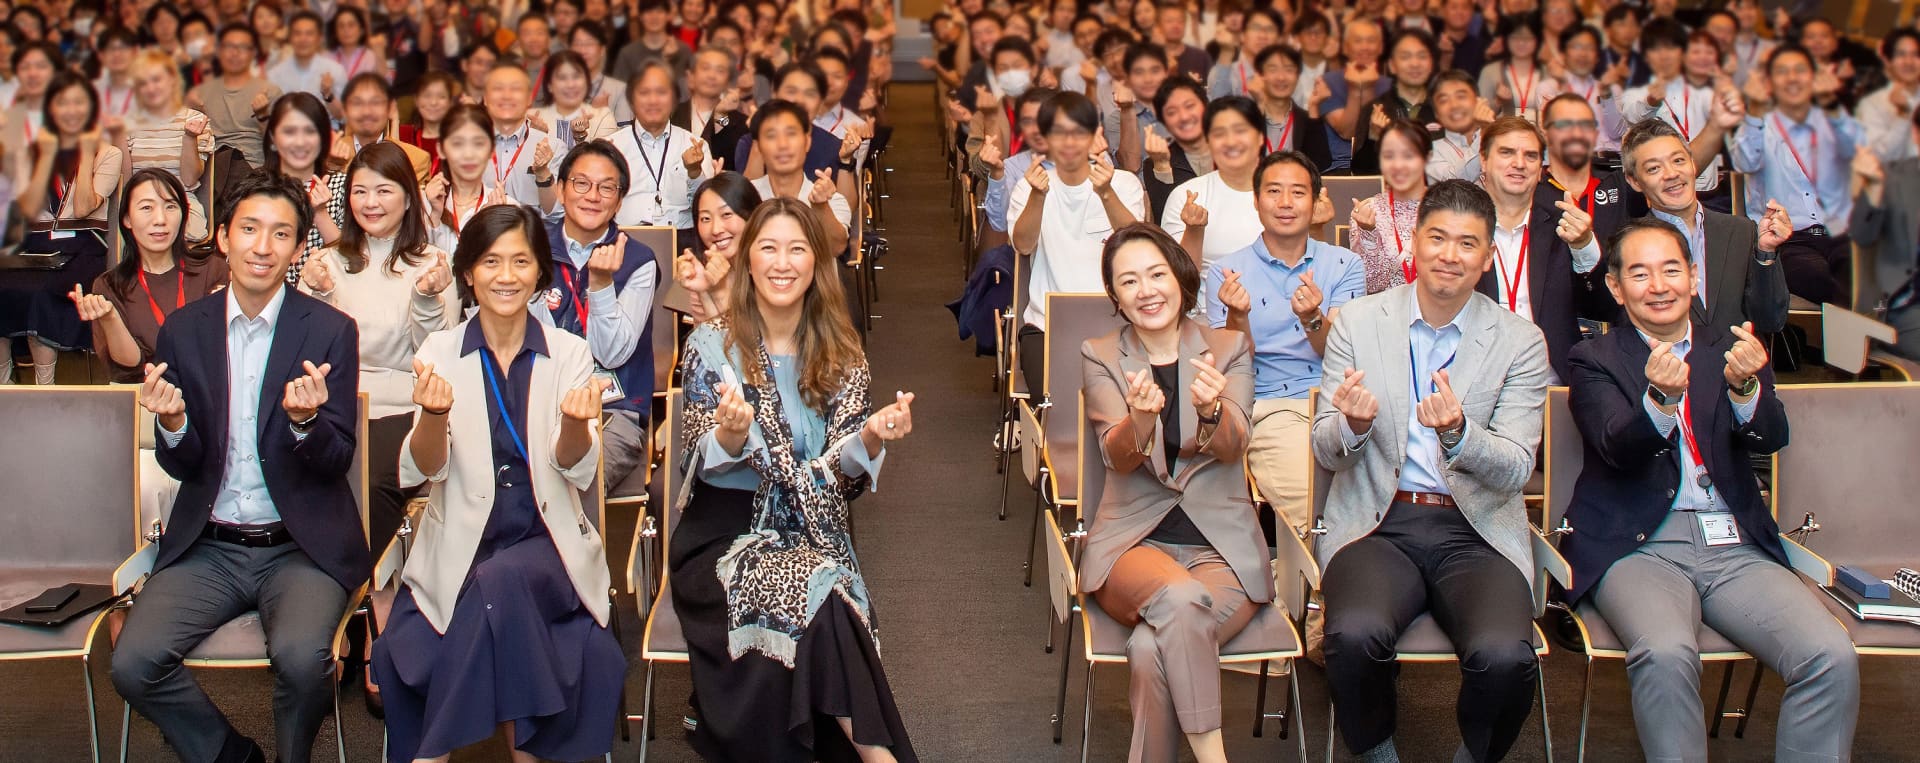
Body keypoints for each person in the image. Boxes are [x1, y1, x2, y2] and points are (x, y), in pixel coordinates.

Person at [1561, 217, 1860, 763]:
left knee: (1829, 654)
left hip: (1734, 546)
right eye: (1640, 273)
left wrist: (1747, 386)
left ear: (1694, 277)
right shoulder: (1595, 360)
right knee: (1666, 652)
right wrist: (1658, 401)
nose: (1659, 285)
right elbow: (1615, 447)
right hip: (1639, 545)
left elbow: (1771, 437)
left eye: (1671, 269)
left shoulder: (1734, 348)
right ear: (1615, 287)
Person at [110, 171, 365, 763]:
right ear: (223, 237)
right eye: (248, 229)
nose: (262, 246)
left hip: (299, 545)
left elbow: (337, 459)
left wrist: (306, 424)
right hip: (211, 543)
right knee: (133, 662)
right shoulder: (184, 330)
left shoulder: (330, 331)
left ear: (300, 248)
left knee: (305, 662)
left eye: (281, 234)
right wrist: (171, 424)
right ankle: (231, 756)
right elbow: (185, 463)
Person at [370, 202, 624, 763]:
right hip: (459, 548)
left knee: (501, 579)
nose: (506, 276)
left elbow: (575, 468)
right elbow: (424, 470)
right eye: (490, 262)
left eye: (520, 262)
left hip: (547, 546)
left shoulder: (569, 354)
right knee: (494, 586)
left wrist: (580, 426)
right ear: (468, 272)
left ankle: (429, 755)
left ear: (540, 273)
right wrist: (433, 416)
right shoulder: (439, 352)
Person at [1310, 178, 1549, 763]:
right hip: (1378, 523)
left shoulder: (1520, 340)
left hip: (1477, 530)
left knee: (1507, 657)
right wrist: (1355, 427)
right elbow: (1323, 445)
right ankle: (1377, 752)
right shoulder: (1358, 323)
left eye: (1467, 243)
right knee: (1352, 635)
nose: (1450, 254)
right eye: (1437, 238)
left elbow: (1518, 467)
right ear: (1413, 243)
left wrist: (1459, 436)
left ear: (1488, 256)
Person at [672, 197, 918, 762]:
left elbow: (843, 479)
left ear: (816, 263)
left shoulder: (842, 353)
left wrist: (873, 437)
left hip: (812, 531)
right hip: (725, 537)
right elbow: (696, 462)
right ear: (747, 261)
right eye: (768, 248)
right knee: (823, 588)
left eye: (797, 249)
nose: (782, 263)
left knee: (820, 587)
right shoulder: (713, 344)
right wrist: (730, 436)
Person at [1078, 223, 1269, 763]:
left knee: (1150, 645)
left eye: (1157, 274)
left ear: (1181, 279)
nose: (1147, 290)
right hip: (1132, 549)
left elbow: (1235, 445)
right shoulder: (1101, 354)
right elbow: (1115, 456)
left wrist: (1211, 411)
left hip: (1221, 551)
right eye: (1130, 280)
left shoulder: (1228, 347)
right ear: (1115, 295)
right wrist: (1140, 417)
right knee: (1180, 599)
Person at [297, 141, 454, 555]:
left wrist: (424, 299)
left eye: (383, 190)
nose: (370, 202)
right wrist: (322, 296)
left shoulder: (433, 263)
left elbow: (437, 356)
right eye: (360, 191)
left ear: (408, 197)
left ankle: (365, 589)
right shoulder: (325, 262)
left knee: (368, 482)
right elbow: (306, 354)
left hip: (403, 405)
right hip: (334, 405)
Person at [1204, 149, 1365, 536]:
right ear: (1256, 202)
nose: (1286, 203)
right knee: (1316, 513)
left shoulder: (1344, 265)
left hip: (1338, 401)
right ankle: (1322, 585)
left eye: (1298, 192)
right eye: (1274, 191)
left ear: (1316, 201)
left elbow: (1338, 353)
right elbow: (1232, 367)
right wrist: (1237, 315)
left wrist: (1312, 318)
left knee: (1377, 498)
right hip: (1271, 405)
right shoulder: (1224, 272)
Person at [540, 139, 660, 492]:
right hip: (540, 400)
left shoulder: (639, 260)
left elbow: (611, 354)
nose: (593, 196)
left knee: (571, 485)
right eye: (581, 183)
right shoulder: (532, 249)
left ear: (620, 200)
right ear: (561, 189)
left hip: (613, 410)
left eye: (606, 187)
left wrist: (602, 284)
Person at [1011, 90, 1146, 392]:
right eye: (1059, 133)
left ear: (1095, 134)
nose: (1069, 142)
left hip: (1121, 324)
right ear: (1045, 138)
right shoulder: (1029, 186)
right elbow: (1023, 244)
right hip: (1046, 327)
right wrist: (1038, 196)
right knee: (1056, 417)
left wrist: (1106, 193)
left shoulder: (1123, 183)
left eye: (1078, 132)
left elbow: (1138, 246)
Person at [2, 71, 123, 386]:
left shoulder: (109, 155)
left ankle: (45, 388)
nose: (70, 112)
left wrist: (83, 153)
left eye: (78, 104)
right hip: (36, 244)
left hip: (85, 246)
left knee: (45, 295)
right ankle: (6, 383)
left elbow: (84, 207)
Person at [1619, 118, 1792, 336]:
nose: (1671, 174)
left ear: (1692, 163)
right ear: (1634, 181)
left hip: (1739, 366)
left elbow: (1771, 321)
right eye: (1654, 168)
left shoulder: (1740, 231)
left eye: (1678, 160)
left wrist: (1765, 252)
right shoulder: (1630, 246)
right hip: (1667, 368)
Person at [1730, 44, 1864, 306]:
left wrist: (1831, 103)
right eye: (1782, 71)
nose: (1792, 78)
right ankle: (1849, 341)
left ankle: (1847, 338)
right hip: (1788, 239)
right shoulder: (1757, 125)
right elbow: (1744, 161)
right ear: (1768, 81)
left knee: (1859, 271)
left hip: (1838, 233)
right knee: (1823, 280)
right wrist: (1754, 111)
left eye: (1800, 70)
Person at [1474, 116, 1601, 382]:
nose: (1519, 164)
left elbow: (1603, 306)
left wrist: (1584, 246)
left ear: (1541, 167)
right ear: (1483, 160)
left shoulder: (1564, 221)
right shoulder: (1462, 222)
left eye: (1530, 156)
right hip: (1478, 373)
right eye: (1507, 152)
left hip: (1551, 377)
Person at [1621, 22, 1735, 213]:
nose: (1664, 55)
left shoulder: (1703, 90)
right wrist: (1651, 100)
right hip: (1664, 192)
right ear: (1646, 56)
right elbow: (1633, 115)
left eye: (1671, 48)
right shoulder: (1637, 91)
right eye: (1656, 49)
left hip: (1708, 192)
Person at [1160, 96, 1264, 289]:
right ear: (1208, 141)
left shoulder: (1285, 193)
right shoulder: (1187, 195)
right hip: (1208, 313)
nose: (1231, 142)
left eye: (1240, 131)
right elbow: (1178, 281)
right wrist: (1194, 230)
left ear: (1260, 137)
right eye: (1219, 134)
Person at [1849, 111, 1920, 360]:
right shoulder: (1893, 178)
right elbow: (1861, 235)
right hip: (1903, 304)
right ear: (1916, 134)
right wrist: (1875, 191)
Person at [609, 59, 712, 231]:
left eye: (661, 92)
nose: (653, 101)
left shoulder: (695, 145)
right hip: (624, 239)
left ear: (674, 99)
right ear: (631, 99)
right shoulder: (611, 147)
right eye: (644, 92)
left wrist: (694, 172)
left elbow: (705, 207)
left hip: (682, 239)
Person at [748, 100, 854, 255]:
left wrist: (821, 207)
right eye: (771, 136)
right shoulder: (745, 197)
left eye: (791, 134)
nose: (782, 144)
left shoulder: (831, 199)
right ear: (758, 147)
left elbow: (836, 248)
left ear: (807, 142)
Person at [261, 92, 345, 285]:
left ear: (323, 138)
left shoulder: (343, 186)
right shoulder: (257, 189)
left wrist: (321, 214)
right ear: (273, 138)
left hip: (329, 299)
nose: (300, 142)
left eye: (310, 131)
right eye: (289, 132)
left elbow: (352, 261)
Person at [1350, 119, 1429, 294]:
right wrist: (1368, 233)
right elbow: (1369, 285)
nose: (1398, 166)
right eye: (1389, 156)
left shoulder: (1445, 206)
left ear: (1427, 157)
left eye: (1408, 155)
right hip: (1386, 314)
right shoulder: (1368, 210)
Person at [188, 23, 282, 169]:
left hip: (256, 171)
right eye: (229, 46)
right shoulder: (199, 94)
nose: (235, 53)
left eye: (243, 47)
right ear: (218, 51)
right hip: (214, 172)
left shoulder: (269, 91)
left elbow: (279, 145)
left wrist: (263, 116)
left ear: (253, 53)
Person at [424, 104, 514, 254]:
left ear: (491, 149)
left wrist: (494, 221)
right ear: (441, 149)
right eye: (457, 144)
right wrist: (434, 217)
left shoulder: (508, 207)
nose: (468, 154)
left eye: (478, 144)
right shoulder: (423, 202)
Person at [677, 171, 765, 321]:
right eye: (705, 218)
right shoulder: (700, 273)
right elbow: (707, 342)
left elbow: (757, 342)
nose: (716, 229)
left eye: (726, 214)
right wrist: (704, 293)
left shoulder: (773, 270)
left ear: (751, 215)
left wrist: (719, 293)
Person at [1351, 29, 1438, 176]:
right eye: (1405, 57)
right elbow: (1360, 173)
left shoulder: (1442, 107)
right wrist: (1373, 139)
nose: (1415, 64)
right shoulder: (1375, 109)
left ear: (1432, 63)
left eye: (1422, 56)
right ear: (1391, 65)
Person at [480, 63, 564, 211]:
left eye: (516, 89)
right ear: (485, 98)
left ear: (529, 98)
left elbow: (556, 214)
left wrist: (543, 173)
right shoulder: (467, 147)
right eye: (498, 88)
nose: (507, 96)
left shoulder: (553, 147)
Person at [1139, 78, 1213, 218]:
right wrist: (1162, 167)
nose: (1184, 117)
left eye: (1190, 106)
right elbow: (1167, 222)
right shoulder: (1153, 164)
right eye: (1172, 112)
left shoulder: (1229, 149)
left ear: (1205, 106)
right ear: (1164, 122)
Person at [338, 73, 433, 179]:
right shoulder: (329, 155)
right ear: (344, 110)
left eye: (376, 102)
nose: (366, 111)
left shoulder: (415, 160)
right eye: (357, 103)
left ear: (391, 108)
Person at [675, 46, 751, 171]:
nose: (712, 75)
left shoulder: (739, 122)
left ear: (728, 81)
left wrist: (720, 114)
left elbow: (727, 155)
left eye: (720, 71)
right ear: (691, 76)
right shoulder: (672, 113)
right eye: (705, 68)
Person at [533, 50, 621, 153]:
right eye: (562, 78)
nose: (570, 85)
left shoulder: (602, 117)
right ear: (549, 85)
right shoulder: (533, 119)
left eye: (576, 76)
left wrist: (581, 139)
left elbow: (605, 161)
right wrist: (535, 136)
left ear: (587, 81)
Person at [1857, 29, 1920, 164]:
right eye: (1901, 55)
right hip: (1894, 182)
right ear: (1887, 61)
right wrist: (1902, 116)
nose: (1909, 62)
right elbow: (1877, 157)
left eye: (1916, 55)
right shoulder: (1872, 104)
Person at [1479, 13, 1557, 122]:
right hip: (1502, 134)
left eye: (1527, 38)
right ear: (1506, 40)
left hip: (1541, 135)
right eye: (1515, 38)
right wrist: (1498, 101)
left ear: (1537, 40)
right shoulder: (1491, 72)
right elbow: (1479, 113)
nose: (1521, 43)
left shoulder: (1548, 72)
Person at [266, 11, 348, 112]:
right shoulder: (275, 75)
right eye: (297, 33)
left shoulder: (335, 71)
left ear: (320, 38)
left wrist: (328, 94)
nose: (303, 39)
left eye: (309, 34)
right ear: (290, 37)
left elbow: (343, 117)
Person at [1425, 70, 1495, 184]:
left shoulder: (1503, 139)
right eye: (1443, 100)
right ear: (1436, 113)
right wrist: (1484, 133)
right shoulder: (1431, 153)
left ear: (1479, 100)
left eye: (1461, 96)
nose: (1454, 105)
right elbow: (1458, 183)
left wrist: (1490, 132)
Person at [569, 20, 634, 126]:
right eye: (578, 44)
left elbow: (625, 135)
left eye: (589, 43)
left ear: (602, 50)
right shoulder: (560, 88)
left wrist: (603, 116)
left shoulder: (619, 89)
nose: (583, 50)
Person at [1206, 7, 1281, 99]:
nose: (1262, 35)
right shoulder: (1226, 71)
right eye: (1256, 28)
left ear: (1279, 39)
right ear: (1242, 35)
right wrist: (1226, 53)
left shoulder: (1285, 76)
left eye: (1270, 29)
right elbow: (1218, 106)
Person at [398, 70, 461, 169]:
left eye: (441, 97)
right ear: (416, 100)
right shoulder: (403, 135)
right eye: (427, 96)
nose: (433, 102)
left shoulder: (459, 139)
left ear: (450, 102)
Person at [327, 6, 384, 82]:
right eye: (341, 26)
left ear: (361, 30)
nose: (346, 30)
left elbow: (385, 83)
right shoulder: (328, 57)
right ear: (335, 32)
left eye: (351, 25)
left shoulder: (371, 56)